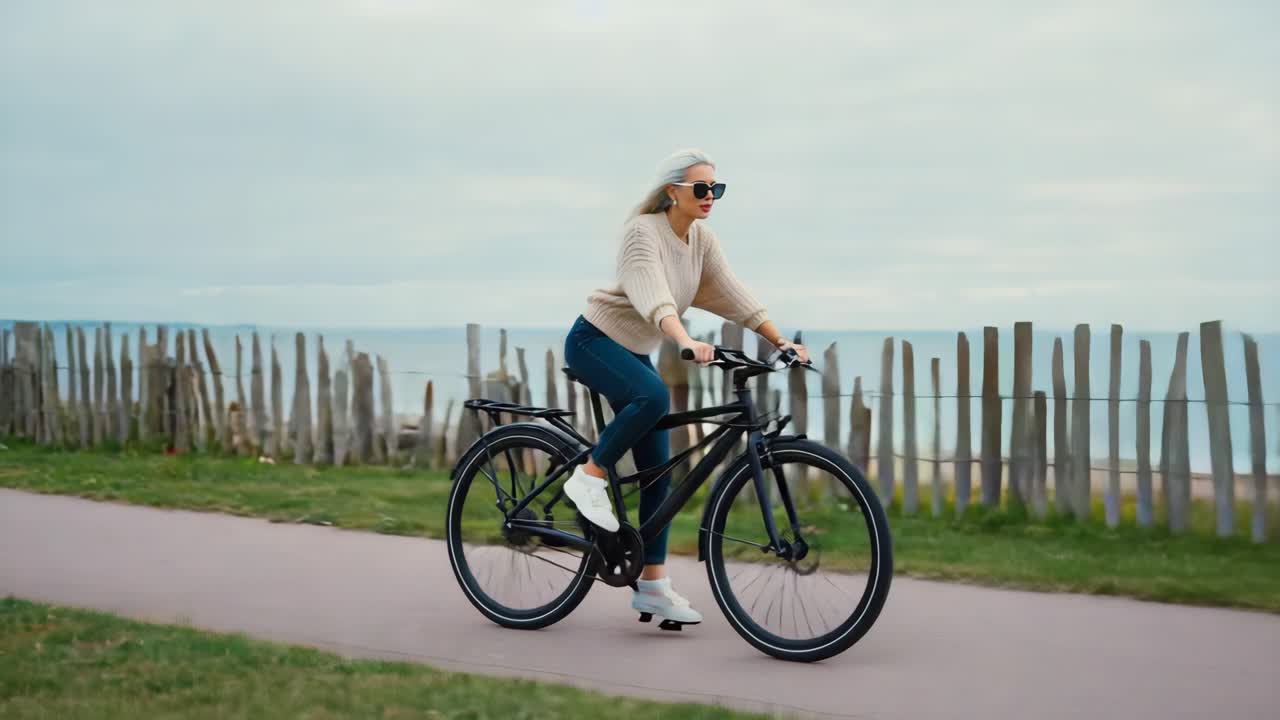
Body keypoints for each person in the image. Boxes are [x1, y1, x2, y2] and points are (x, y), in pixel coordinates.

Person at [561, 147, 810, 626]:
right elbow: (654, 295)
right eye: (701, 188)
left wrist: (780, 340)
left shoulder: (701, 239)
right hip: (594, 340)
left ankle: (652, 585)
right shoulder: (643, 232)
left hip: (634, 350)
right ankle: (588, 478)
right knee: (653, 396)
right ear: (672, 191)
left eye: (716, 188)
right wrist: (684, 341)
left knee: (659, 472)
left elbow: (734, 293)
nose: (710, 196)